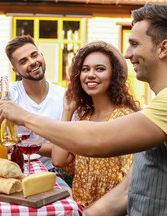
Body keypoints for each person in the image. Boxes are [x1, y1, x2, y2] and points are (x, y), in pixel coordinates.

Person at [0, 3, 167, 215]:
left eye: (134, 43)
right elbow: (126, 190)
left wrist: (24, 117)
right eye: (85, 69)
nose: (127, 53)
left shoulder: (152, 109)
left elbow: (96, 140)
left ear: (163, 48)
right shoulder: (155, 107)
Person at [52, 41, 139, 207]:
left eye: (100, 69)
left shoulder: (126, 120)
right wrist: (67, 111)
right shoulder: (85, 118)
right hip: (79, 209)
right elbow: (59, 160)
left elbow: (127, 187)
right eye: (85, 69)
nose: (90, 75)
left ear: (114, 75)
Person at [4, 35, 70, 189]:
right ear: (15, 70)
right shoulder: (9, 94)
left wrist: (23, 144)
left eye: (34, 55)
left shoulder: (64, 97)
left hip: (48, 173)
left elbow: (68, 150)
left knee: (67, 198)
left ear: (41, 55)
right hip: (13, 172)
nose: (32, 62)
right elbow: (0, 141)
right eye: (23, 61)